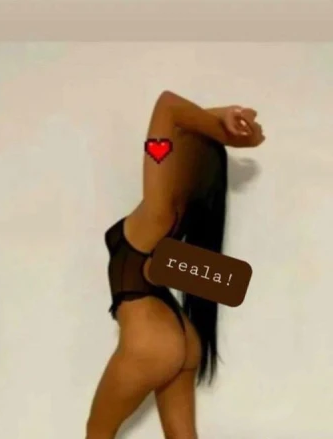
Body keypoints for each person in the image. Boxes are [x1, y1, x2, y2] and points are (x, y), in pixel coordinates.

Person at [86, 91, 265, 439]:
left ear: (179, 164)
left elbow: (168, 106)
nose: (163, 151)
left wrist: (229, 133)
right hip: (182, 335)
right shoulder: (176, 217)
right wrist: (224, 124)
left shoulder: (156, 213)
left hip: (150, 340)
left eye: (172, 149)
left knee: (98, 431)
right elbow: (184, 127)